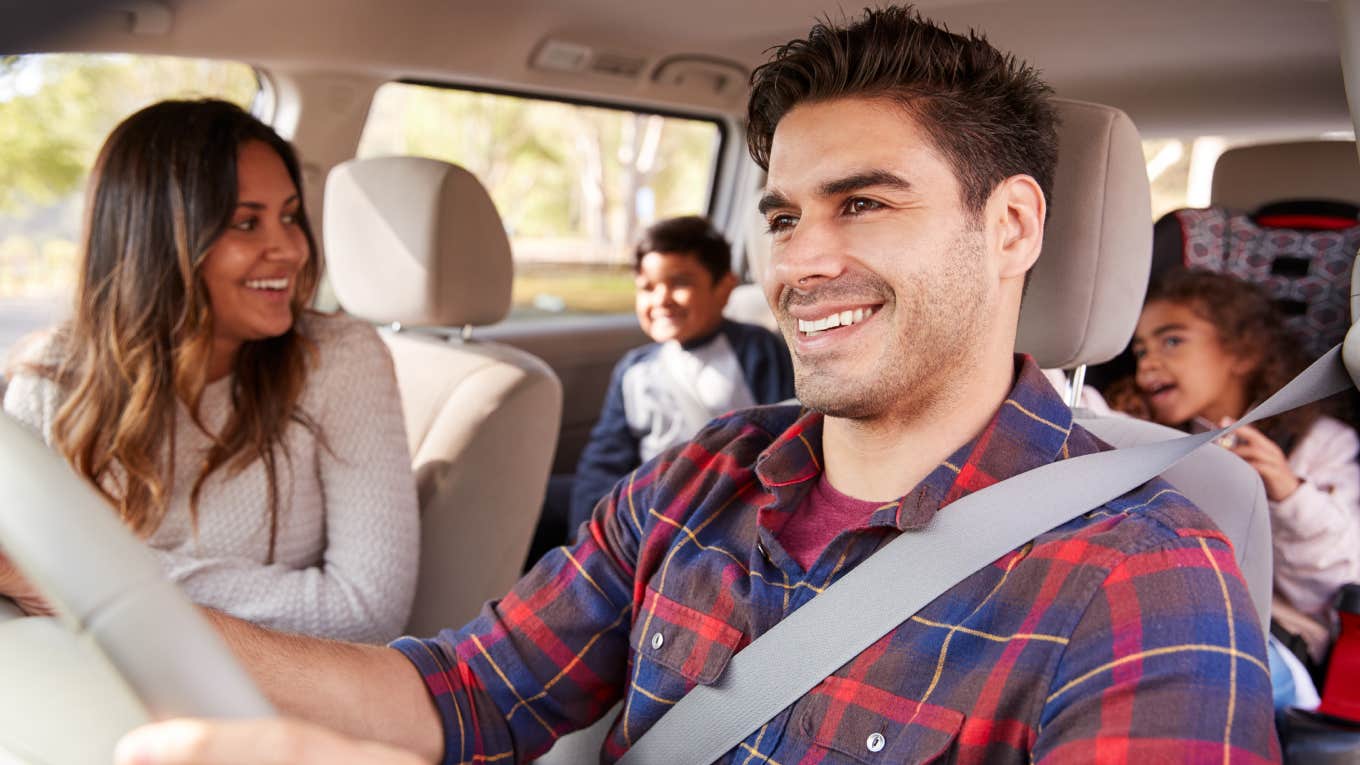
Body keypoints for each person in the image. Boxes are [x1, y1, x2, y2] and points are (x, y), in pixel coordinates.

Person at [26, 8, 1276, 763]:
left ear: (1010, 227)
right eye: (784, 215)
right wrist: (111, 607)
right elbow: (458, 694)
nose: (804, 260)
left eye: (865, 204)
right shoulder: (702, 481)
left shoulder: (1140, 580)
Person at [1, 99, 420, 643]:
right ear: (154, 243)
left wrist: (98, 581)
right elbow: (17, 580)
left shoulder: (338, 360)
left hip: (271, 706)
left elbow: (366, 611)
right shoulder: (51, 381)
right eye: (247, 223)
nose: (291, 249)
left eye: (290, 217)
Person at [1121, 268, 1360, 663]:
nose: (1147, 366)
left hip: (1275, 639)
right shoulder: (1145, 437)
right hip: (1165, 615)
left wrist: (1288, 492)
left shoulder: (1320, 443)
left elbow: (1337, 583)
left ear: (1242, 352)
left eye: (1172, 341)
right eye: (1141, 351)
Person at [568, 215, 794, 529]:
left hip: (724, 506)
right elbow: (604, 459)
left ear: (724, 289)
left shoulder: (756, 349)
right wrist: (590, 528)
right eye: (647, 287)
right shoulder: (634, 368)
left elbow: (784, 440)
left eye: (680, 283)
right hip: (646, 507)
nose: (660, 299)